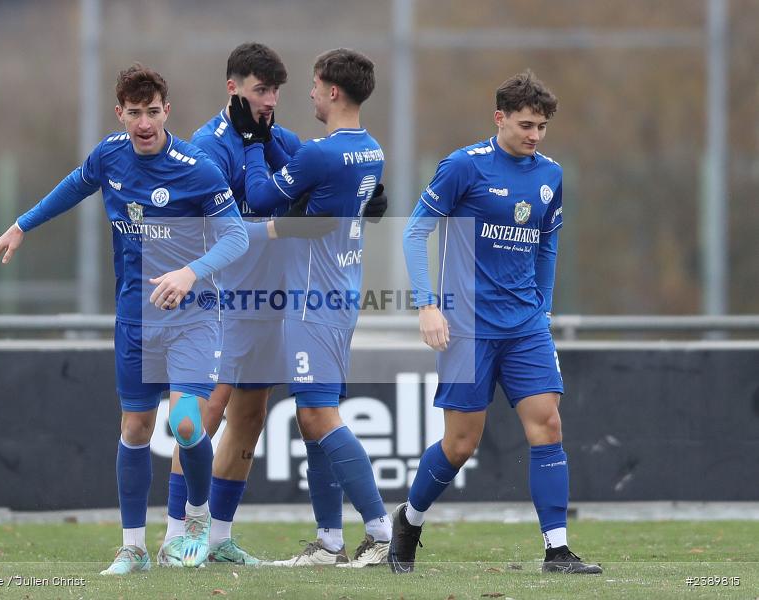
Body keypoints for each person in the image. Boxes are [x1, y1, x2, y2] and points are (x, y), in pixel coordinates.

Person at [0, 64, 249, 573]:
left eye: (153, 111)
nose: (144, 122)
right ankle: (133, 548)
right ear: (120, 114)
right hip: (135, 320)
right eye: (135, 113)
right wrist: (23, 224)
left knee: (187, 423)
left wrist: (190, 273)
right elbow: (74, 184)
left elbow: (236, 237)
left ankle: (195, 520)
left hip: (193, 316)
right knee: (135, 428)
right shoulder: (110, 155)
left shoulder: (197, 168)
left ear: (166, 111)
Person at [391, 70, 601, 575]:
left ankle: (556, 549)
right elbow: (415, 234)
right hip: (467, 327)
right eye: (526, 124)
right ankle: (410, 520)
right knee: (461, 444)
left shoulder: (550, 175)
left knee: (547, 425)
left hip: (525, 325)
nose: (534, 135)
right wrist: (427, 304)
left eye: (543, 127)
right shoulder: (464, 166)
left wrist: (543, 308)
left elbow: (548, 242)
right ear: (499, 118)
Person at [158, 42, 341, 567]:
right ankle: (176, 536)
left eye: (276, 92)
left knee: (250, 417)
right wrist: (282, 223)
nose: (270, 101)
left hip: (269, 300)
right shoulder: (206, 147)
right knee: (206, 413)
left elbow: (313, 177)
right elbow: (221, 229)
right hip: (222, 299)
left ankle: (216, 539)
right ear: (233, 87)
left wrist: (358, 194)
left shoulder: (274, 137)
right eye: (261, 91)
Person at [229, 48, 391, 568]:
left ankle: (383, 532)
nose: (311, 94)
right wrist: (274, 138)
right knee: (311, 416)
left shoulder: (323, 154)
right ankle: (328, 542)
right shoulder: (370, 150)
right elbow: (311, 175)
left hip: (311, 300)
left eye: (316, 86)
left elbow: (261, 193)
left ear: (333, 90)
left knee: (319, 414)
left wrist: (254, 141)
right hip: (339, 293)